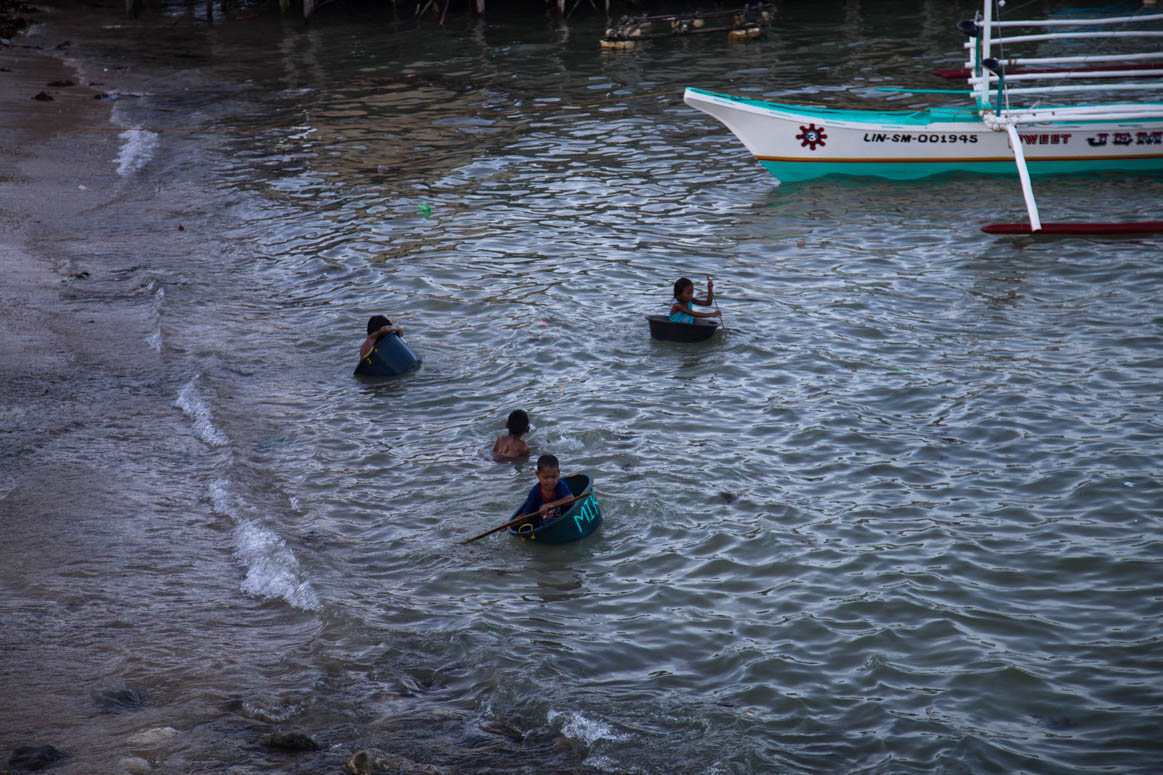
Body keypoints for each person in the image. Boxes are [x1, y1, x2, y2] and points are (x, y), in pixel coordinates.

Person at [519, 454, 574, 526]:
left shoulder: (560, 485)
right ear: (538, 475)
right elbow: (525, 515)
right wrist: (509, 525)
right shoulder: (535, 492)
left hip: (563, 522)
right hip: (545, 528)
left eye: (554, 477)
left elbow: (571, 499)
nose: (550, 481)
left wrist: (551, 505)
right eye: (545, 477)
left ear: (558, 473)